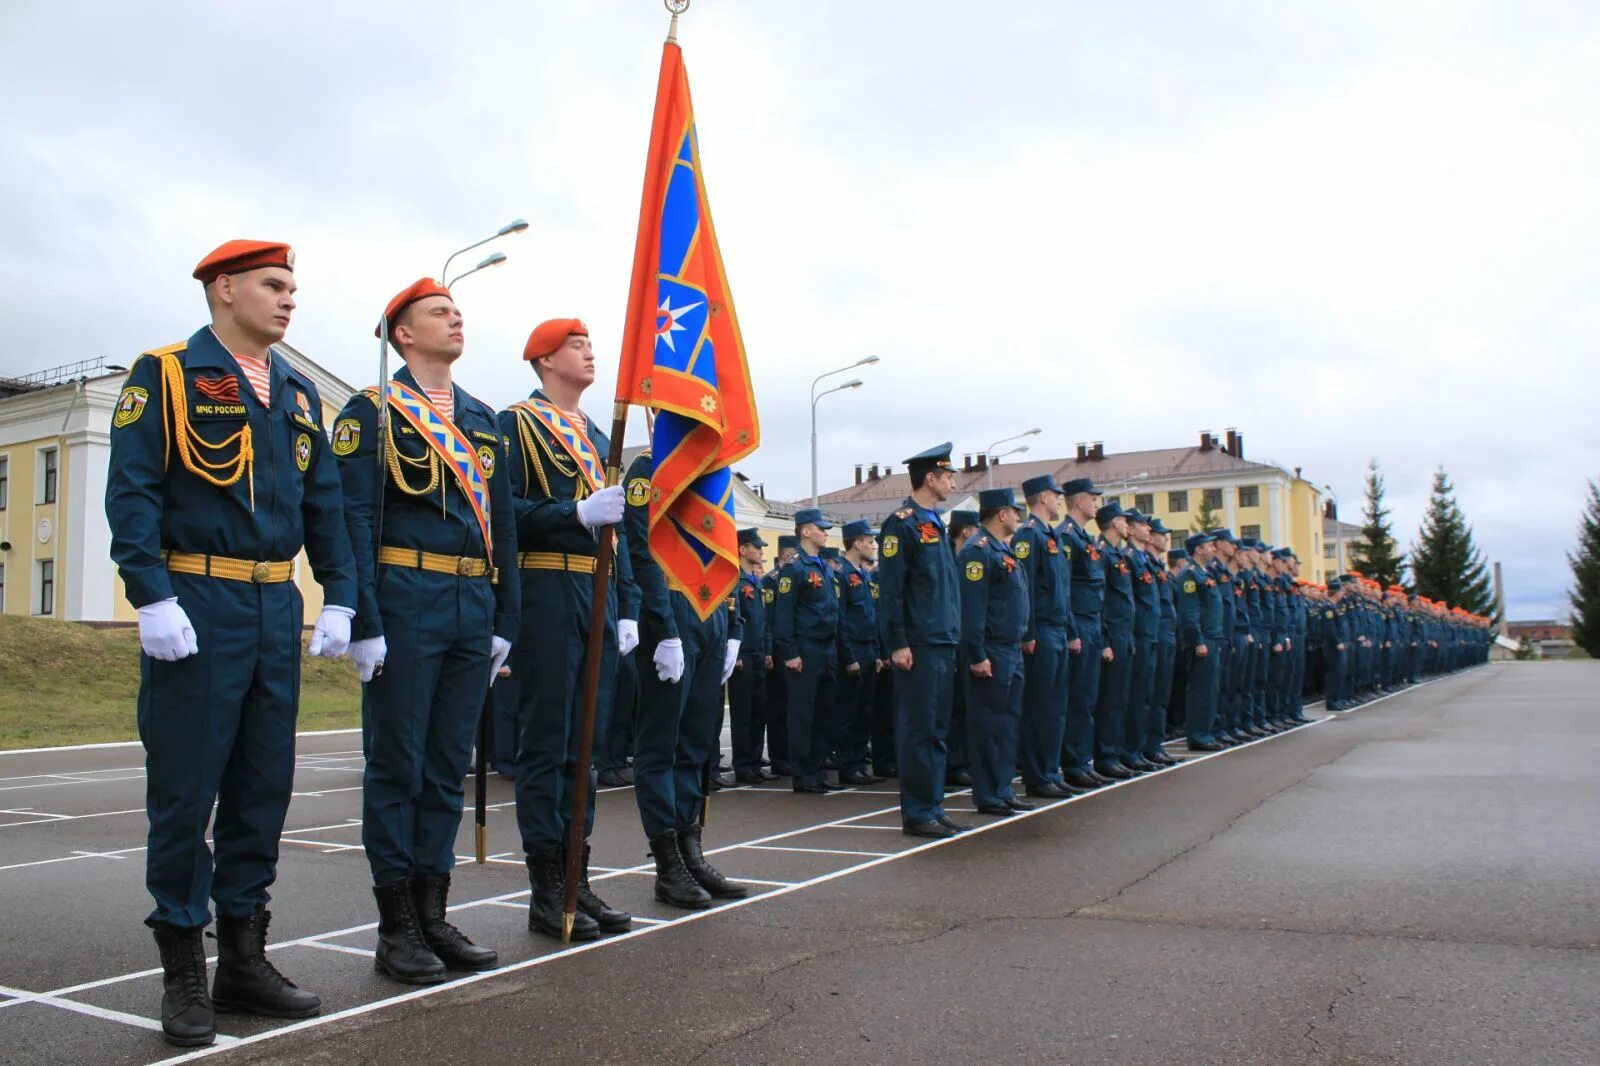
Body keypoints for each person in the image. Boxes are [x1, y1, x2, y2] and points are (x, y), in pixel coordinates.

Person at [106, 240, 357, 1046]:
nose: (289, 299)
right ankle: (183, 967)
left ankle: (244, 959)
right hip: (199, 598)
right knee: (187, 793)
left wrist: (341, 595)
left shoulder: (296, 391)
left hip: (274, 604)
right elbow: (133, 492)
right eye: (273, 285)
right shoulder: (167, 374)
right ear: (224, 289)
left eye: (293, 287)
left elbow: (325, 506)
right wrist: (150, 595)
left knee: (261, 789)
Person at [334, 278, 519, 982]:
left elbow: (501, 523)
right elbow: (353, 516)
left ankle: (433, 912)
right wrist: (363, 616)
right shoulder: (373, 411)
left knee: (447, 767)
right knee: (397, 764)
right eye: (439, 312)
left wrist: (506, 616)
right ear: (403, 334)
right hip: (406, 596)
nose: (455, 319)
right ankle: (396, 926)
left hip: (471, 600)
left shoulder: (481, 419)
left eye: (458, 311)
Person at [499, 318, 637, 941]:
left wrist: (626, 603)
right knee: (549, 742)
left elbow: (618, 532)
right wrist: (573, 512)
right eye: (577, 346)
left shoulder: (596, 434)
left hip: (597, 590)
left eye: (589, 345)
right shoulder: (518, 424)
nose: (589, 354)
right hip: (548, 586)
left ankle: (577, 877)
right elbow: (504, 513)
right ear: (546, 359)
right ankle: (547, 888)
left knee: (587, 744)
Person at [624, 449, 746, 907]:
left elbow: (725, 548)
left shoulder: (714, 471)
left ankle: (691, 850)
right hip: (673, 611)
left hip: (711, 613)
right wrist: (663, 627)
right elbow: (641, 550)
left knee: (697, 745)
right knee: (661, 746)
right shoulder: (650, 468)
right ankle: (668, 864)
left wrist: (734, 626)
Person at [877, 443, 969, 837]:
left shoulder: (935, 524)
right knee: (918, 729)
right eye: (947, 476)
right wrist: (898, 642)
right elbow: (892, 590)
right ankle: (917, 813)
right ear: (930, 478)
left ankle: (933, 805)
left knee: (937, 729)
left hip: (942, 639)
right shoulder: (902, 524)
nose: (953, 483)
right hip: (919, 643)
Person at [958, 488, 1034, 816]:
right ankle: (988, 794)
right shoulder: (978, 551)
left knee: (1007, 723)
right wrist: (977, 654)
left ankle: (1003, 788)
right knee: (989, 726)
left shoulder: (1002, 549)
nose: (1018, 517)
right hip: (990, 648)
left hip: (1010, 648)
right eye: (1015, 512)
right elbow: (972, 608)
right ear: (1002, 514)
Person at [1013, 474, 1080, 799]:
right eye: (1055, 495)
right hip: (1040, 632)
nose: (1059, 500)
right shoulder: (1028, 535)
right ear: (1042, 497)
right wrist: (1027, 632)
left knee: (1056, 707)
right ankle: (1037, 776)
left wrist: (1070, 630)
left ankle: (1051, 771)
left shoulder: (1051, 535)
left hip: (1057, 628)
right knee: (1039, 708)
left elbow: (1062, 591)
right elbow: (1023, 587)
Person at [774, 508, 843, 793]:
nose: (825, 533)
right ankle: (802, 773)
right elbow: (783, 614)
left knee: (824, 712)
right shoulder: (794, 567)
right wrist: (790, 652)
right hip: (805, 649)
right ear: (805, 531)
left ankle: (817, 769)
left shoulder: (822, 566)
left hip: (827, 648)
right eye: (820, 528)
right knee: (803, 714)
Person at [1057, 478, 1111, 791]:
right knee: (1077, 699)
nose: (1097, 505)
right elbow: (1063, 587)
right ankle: (1073, 764)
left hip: (1091, 623)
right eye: (1093, 499)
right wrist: (1072, 630)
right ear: (1079, 502)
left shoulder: (1083, 537)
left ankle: (1082, 761)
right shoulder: (1067, 536)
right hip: (1078, 624)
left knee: (1088, 699)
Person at [1092, 500, 1141, 779]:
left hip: (1124, 634)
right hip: (1111, 634)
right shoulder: (1101, 553)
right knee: (1109, 701)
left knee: (1120, 698)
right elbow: (1099, 599)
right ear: (1114, 522)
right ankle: (1105, 756)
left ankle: (1117, 753)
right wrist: (1105, 641)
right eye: (1123, 520)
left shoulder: (1118, 554)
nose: (1127, 524)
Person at [834, 520, 883, 785]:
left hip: (867, 649)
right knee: (848, 712)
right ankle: (847, 765)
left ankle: (860, 762)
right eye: (869, 541)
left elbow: (870, 616)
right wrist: (849, 656)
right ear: (856, 543)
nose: (873, 546)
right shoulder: (841, 574)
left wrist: (876, 652)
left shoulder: (863, 574)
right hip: (852, 650)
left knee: (865, 710)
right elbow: (840, 619)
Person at [729, 528, 773, 784]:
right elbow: (734, 617)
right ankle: (743, 765)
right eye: (756, 547)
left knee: (758, 712)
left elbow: (762, 621)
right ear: (743, 549)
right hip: (743, 654)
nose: (760, 551)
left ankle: (755, 762)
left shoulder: (756, 581)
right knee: (743, 713)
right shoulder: (734, 579)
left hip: (757, 653)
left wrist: (767, 651)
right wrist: (735, 653)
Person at [1175, 533, 1224, 751]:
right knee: (1200, 690)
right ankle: (1198, 736)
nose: (1213, 549)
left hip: (1212, 637)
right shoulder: (1190, 575)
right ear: (1198, 549)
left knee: (1210, 689)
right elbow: (1189, 612)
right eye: (1209, 546)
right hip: (1202, 639)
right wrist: (1197, 640)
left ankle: (1206, 732)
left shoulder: (1205, 573)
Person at [945, 509, 980, 788]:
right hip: (950, 640)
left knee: (966, 706)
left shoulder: (964, 558)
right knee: (953, 706)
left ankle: (964, 760)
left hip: (964, 638)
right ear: (967, 531)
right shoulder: (950, 559)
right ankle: (953, 764)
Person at [763, 535, 799, 776]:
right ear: (786, 555)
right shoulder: (771, 580)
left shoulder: (793, 575)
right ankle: (780, 758)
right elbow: (769, 618)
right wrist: (770, 650)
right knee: (779, 707)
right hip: (778, 650)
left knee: (793, 707)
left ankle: (790, 755)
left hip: (793, 648)